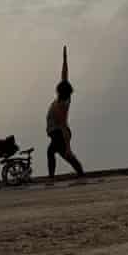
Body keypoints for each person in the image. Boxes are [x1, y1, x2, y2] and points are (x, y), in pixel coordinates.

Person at [45, 46, 84, 184]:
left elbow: (63, 127)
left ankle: (51, 179)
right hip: (56, 132)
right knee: (67, 156)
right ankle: (81, 173)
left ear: (60, 92)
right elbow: (64, 75)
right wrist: (65, 59)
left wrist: (68, 146)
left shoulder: (61, 105)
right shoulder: (64, 96)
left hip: (59, 133)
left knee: (51, 152)